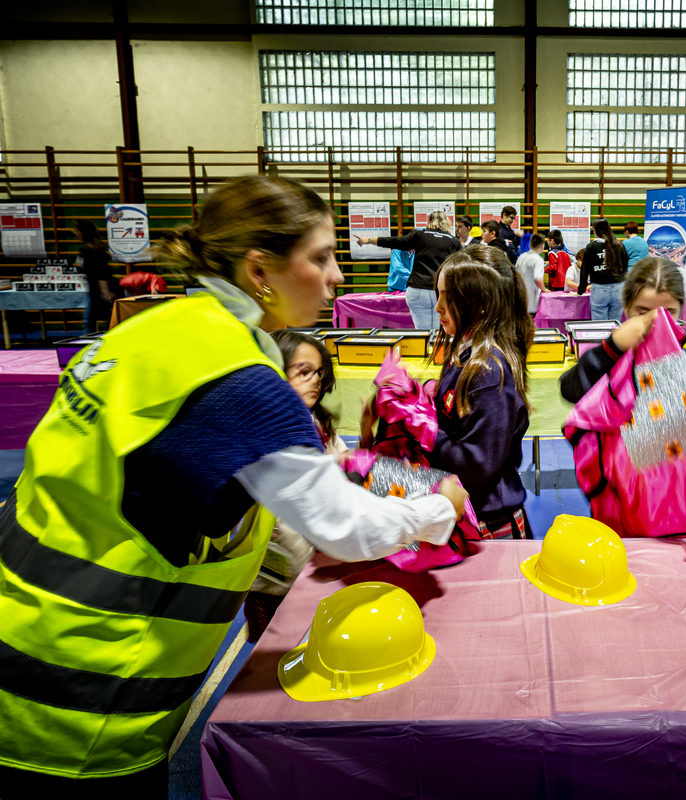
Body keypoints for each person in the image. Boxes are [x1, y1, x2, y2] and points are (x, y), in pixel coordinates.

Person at [0, 176, 468, 792]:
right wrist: (440, 505)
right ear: (259, 268)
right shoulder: (242, 383)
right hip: (81, 687)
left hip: (23, 634)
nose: (335, 277)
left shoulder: (154, 332)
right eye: (321, 257)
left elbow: (289, 471)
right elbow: (346, 528)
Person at [561, 257, 686, 472]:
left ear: (682, 310)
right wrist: (613, 346)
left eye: (668, 312)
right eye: (643, 313)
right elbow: (569, 390)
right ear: (626, 307)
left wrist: (676, 446)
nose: (655, 322)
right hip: (622, 493)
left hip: (682, 492)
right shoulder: (613, 360)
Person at [242, 329, 348, 643]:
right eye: (303, 372)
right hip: (278, 580)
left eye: (318, 373)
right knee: (276, 648)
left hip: (314, 567)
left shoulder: (316, 420)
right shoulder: (264, 429)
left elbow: (337, 463)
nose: (315, 379)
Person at [428, 253, 532, 539]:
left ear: (480, 304)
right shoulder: (466, 353)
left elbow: (476, 467)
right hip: (470, 514)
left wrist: (424, 429)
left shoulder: (488, 371)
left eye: (448, 298)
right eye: (438, 295)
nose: (437, 307)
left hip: (489, 522)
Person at [356, 209, 461, 330]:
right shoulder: (454, 241)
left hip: (417, 290)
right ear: (447, 222)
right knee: (440, 332)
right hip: (440, 292)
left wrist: (368, 240)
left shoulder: (421, 235)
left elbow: (395, 241)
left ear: (430, 221)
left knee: (422, 333)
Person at [577, 217, 629, 320]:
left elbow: (584, 270)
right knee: (615, 322)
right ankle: (614, 337)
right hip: (618, 287)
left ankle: (601, 337)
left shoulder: (591, 247)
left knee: (599, 325)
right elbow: (625, 266)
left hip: (599, 288)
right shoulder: (618, 245)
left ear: (595, 231)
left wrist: (581, 289)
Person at [74, 219, 114, 332]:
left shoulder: (90, 251)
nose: (74, 233)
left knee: (107, 320)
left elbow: (101, 273)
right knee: (90, 320)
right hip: (94, 292)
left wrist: (105, 292)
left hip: (98, 292)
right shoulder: (90, 249)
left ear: (83, 232)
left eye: (76, 230)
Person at [515, 233, 547, 315]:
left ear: (530, 245)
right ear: (542, 246)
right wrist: (544, 289)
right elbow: (538, 278)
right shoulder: (538, 259)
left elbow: (515, 274)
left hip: (520, 297)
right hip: (532, 300)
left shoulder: (521, 257)